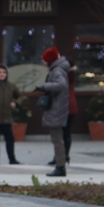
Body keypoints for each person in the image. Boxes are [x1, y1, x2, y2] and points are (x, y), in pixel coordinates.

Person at [37, 46, 70, 177]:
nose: (43, 62)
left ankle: (60, 166)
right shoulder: (59, 69)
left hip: (56, 110)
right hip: (58, 109)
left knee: (57, 140)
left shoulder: (57, 71)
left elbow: (62, 85)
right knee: (58, 139)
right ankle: (60, 165)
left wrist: (45, 86)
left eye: (44, 59)